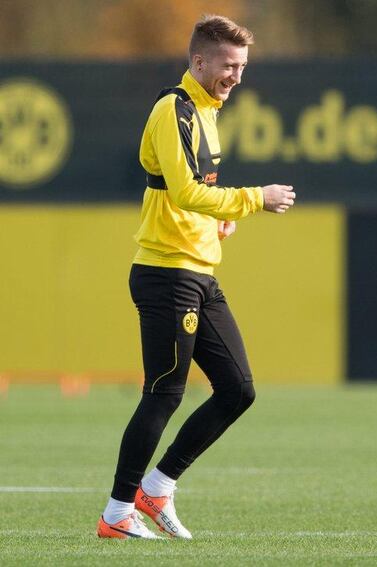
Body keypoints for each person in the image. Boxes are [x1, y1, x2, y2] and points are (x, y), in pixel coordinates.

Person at [97, 14, 295, 540]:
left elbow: (188, 192)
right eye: (228, 65)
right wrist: (255, 198)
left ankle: (157, 488)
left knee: (238, 390)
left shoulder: (206, 112)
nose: (236, 76)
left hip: (198, 272)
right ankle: (117, 512)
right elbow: (184, 192)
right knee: (163, 392)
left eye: (243, 67)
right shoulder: (173, 110)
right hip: (167, 273)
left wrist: (218, 217)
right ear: (198, 60)